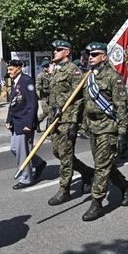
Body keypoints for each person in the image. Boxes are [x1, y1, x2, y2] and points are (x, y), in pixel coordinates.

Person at [80, 42, 128, 221]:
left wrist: (122, 133)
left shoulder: (113, 77)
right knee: (106, 166)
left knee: (101, 167)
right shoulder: (89, 77)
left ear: (104, 57)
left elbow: (122, 108)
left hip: (108, 128)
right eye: (89, 54)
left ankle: (97, 203)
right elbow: (86, 104)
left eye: (95, 54)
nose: (91, 57)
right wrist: (83, 126)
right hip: (94, 128)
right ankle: (126, 186)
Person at [46, 39, 95, 206]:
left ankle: (64, 190)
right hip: (55, 119)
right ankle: (87, 172)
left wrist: (74, 121)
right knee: (57, 152)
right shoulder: (57, 70)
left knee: (66, 155)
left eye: (58, 49)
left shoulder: (73, 71)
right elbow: (51, 95)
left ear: (67, 52)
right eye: (54, 50)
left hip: (67, 119)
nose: (55, 52)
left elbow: (78, 98)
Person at [6, 59, 47, 189]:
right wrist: (9, 120)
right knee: (14, 148)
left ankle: (26, 178)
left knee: (22, 151)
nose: (9, 72)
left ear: (19, 68)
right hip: (16, 121)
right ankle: (38, 163)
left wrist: (29, 123)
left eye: (11, 69)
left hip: (24, 122)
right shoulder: (16, 81)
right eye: (8, 69)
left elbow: (32, 103)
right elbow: (13, 103)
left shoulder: (26, 81)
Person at [35, 58, 53, 133]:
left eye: (48, 66)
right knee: (46, 112)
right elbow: (38, 87)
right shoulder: (40, 76)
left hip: (51, 97)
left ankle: (48, 129)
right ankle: (37, 122)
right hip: (44, 97)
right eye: (46, 66)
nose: (47, 68)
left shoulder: (51, 75)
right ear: (44, 67)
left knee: (51, 112)